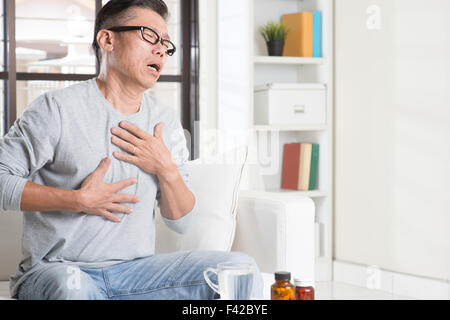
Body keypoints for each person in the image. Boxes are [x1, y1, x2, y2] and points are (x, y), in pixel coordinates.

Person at [0, 0, 263, 300]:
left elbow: (182, 222)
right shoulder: (56, 110)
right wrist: (77, 200)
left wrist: (167, 169)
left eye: (165, 43)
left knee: (239, 269)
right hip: (57, 271)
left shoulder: (164, 121)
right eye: (149, 35)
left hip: (135, 274)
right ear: (107, 39)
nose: (161, 49)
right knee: (73, 288)